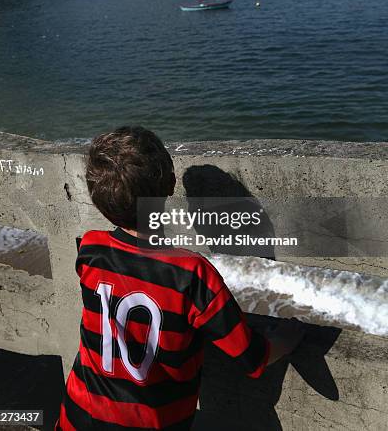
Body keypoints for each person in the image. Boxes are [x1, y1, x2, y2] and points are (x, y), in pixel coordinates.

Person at [55, 126, 304, 430]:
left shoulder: (90, 249)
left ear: (98, 201)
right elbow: (253, 357)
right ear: (171, 183)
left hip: (78, 417)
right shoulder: (192, 275)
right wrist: (291, 336)